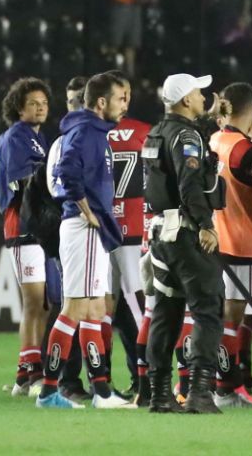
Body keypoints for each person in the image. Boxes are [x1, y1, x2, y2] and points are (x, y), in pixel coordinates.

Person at [38, 71, 132, 410]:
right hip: (84, 228)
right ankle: (49, 391)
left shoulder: (94, 131)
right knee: (75, 309)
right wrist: (86, 209)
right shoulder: (87, 131)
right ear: (102, 102)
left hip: (90, 229)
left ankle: (102, 392)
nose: (126, 105)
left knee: (94, 309)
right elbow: (66, 170)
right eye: (122, 99)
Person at [143, 72, 224, 414]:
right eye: (198, 93)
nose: (203, 97)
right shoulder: (185, 135)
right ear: (185, 99)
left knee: (166, 311)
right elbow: (190, 181)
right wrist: (206, 224)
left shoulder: (157, 132)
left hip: (161, 231)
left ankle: (160, 395)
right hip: (186, 230)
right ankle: (199, 393)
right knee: (208, 307)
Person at [208, 82, 252, 407]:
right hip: (243, 241)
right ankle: (226, 388)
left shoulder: (215, 140)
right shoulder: (246, 150)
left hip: (216, 238)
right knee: (231, 318)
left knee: (225, 316)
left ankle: (225, 384)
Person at [0, 78, 53, 396]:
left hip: (38, 226)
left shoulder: (35, 139)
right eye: (33, 103)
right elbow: (20, 182)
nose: (40, 107)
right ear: (19, 108)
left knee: (41, 303)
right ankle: (34, 374)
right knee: (33, 302)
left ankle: (23, 374)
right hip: (22, 225)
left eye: (43, 102)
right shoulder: (16, 137)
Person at [104, 99, 152, 397]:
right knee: (138, 307)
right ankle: (145, 380)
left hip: (101, 229)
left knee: (102, 309)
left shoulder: (95, 134)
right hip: (134, 229)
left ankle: (102, 381)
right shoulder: (143, 132)